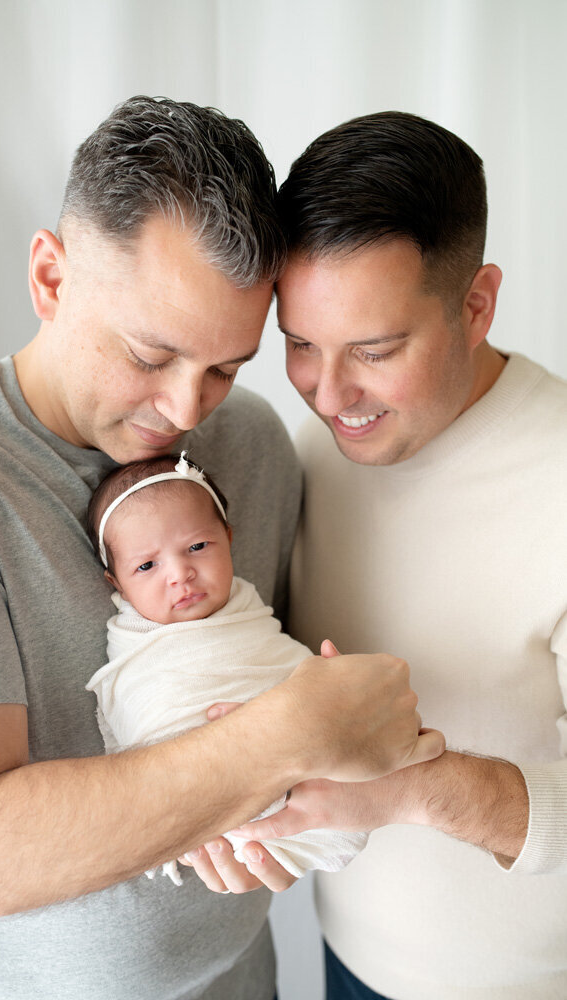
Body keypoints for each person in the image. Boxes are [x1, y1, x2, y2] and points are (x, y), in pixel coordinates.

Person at [0, 97, 442, 1000]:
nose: (189, 412)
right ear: (49, 277)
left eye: (225, 366)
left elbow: (272, 682)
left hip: (241, 980)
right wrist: (290, 733)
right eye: (150, 356)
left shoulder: (254, 443)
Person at [188, 112, 567, 1000]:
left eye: (375, 350)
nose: (329, 393)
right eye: (299, 346)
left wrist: (413, 791)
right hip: (345, 961)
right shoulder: (319, 445)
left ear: (475, 305)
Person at [84, 452, 368, 884]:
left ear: (228, 538)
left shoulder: (247, 609)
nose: (181, 574)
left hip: (333, 784)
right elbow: (149, 724)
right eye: (146, 566)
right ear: (116, 583)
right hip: (214, 812)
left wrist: (324, 700)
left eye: (197, 547)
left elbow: (283, 667)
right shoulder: (135, 650)